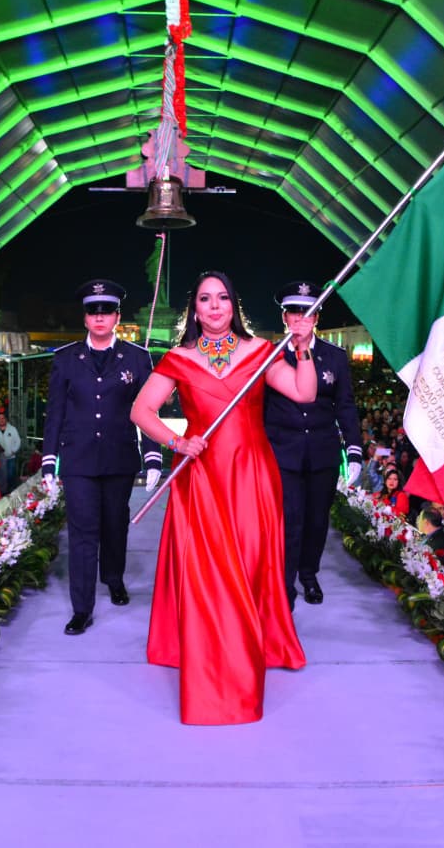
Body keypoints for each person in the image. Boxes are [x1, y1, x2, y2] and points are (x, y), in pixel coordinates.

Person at [130, 270, 315, 725]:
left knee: (250, 565)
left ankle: (256, 644)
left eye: (223, 298)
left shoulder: (260, 352)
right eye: (206, 299)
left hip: (253, 475)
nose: (215, 306)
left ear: (235, 305)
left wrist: (303, 348)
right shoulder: (178, 357)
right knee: (211, 575)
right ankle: (217, 663)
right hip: (202, 478)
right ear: (194, 308)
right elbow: (141, 410)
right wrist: (177, 444)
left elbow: (303, 392)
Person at [42, 280, 162, 635]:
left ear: (117, 316)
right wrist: (50, 460)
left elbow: (148, 408)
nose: (99, 318)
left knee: (114, 523)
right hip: (78, 460)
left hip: (119, 457)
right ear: (85, 318)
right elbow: (55, 413)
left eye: (105, 311)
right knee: (81, 532)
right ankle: (82, 608)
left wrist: (153, 454)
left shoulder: (137, 358)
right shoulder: (65, 359)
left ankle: (114, 577)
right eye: (93, 312)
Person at [262, 282, 363, 607]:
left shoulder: (334, 356)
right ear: (284, 318)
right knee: (289, 519)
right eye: (293, 312)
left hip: (322, 451)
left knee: (317, 520)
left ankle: (308, 574)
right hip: (282, 452)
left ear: (317, 316)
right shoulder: (270, 355)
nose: (299, 319)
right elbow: (259, 408)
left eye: (306, 312)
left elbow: (345, 405)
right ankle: (285, 583)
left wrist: (355, 448)